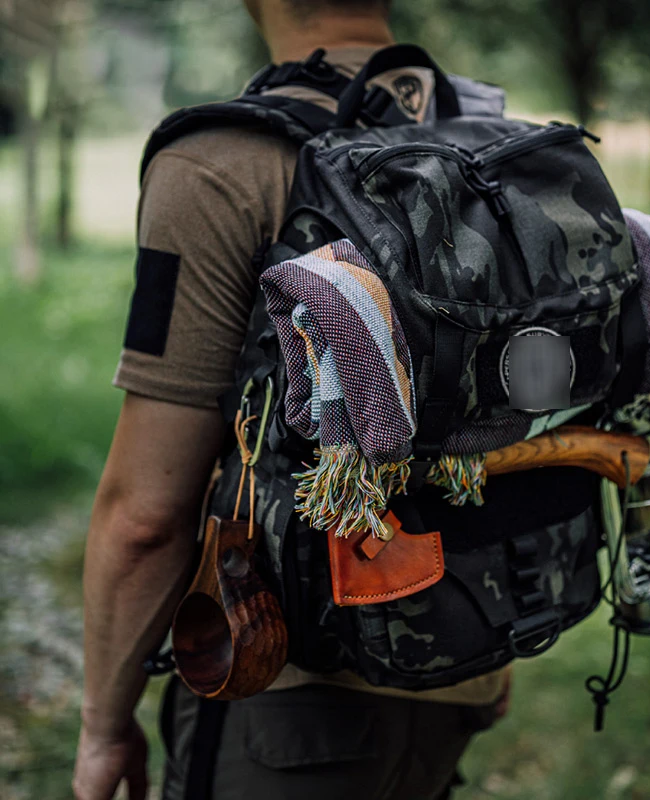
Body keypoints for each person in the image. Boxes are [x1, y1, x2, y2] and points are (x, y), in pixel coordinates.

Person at [71, 1, 512, 798]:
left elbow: (146, 515)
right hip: (468, 661)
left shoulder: (222, 161)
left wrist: (104, 726)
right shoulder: (488, 140)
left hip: (287, 695)